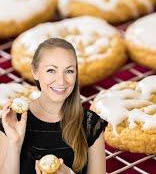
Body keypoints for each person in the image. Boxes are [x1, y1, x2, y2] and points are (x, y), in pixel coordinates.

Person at [0, 38, 106, 174]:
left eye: (69, 71)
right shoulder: (13, 120)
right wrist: (14, 143)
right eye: (51, 70)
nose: (61, 81)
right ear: (35, 72)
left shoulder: (90, 123)